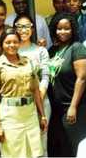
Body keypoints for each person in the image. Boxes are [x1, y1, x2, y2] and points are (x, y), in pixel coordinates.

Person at [0, 28, 47, 157]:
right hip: (10, 115)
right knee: (13, 153)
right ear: (1, 44)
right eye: (8, 42)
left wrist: (42, 115)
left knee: (34, 152)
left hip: (30, 113)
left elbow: (35, 90)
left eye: (15, 42)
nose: (12, 45)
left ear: (19, 43)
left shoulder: (28, 62)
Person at [48, 12, 86, 156]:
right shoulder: (53, 50)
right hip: (57, 109)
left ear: (73, 29)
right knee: (63, 148)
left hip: (75, 107)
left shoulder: (77, 48)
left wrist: (73, 107)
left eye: (67, 28)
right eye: (59, 28)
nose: (63, 32)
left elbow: (82, 78)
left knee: (77, 147)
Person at [14, 15, 51, 156]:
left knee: (42, 142)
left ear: (32, 28)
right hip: (20, 103)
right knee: (24, 143)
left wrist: (39, 96)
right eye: (20, 26)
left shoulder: (40, 50)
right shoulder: (12, 50)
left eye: (27, 26)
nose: (23, 30)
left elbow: (45, 75)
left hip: (42, 101)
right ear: (15, 28)